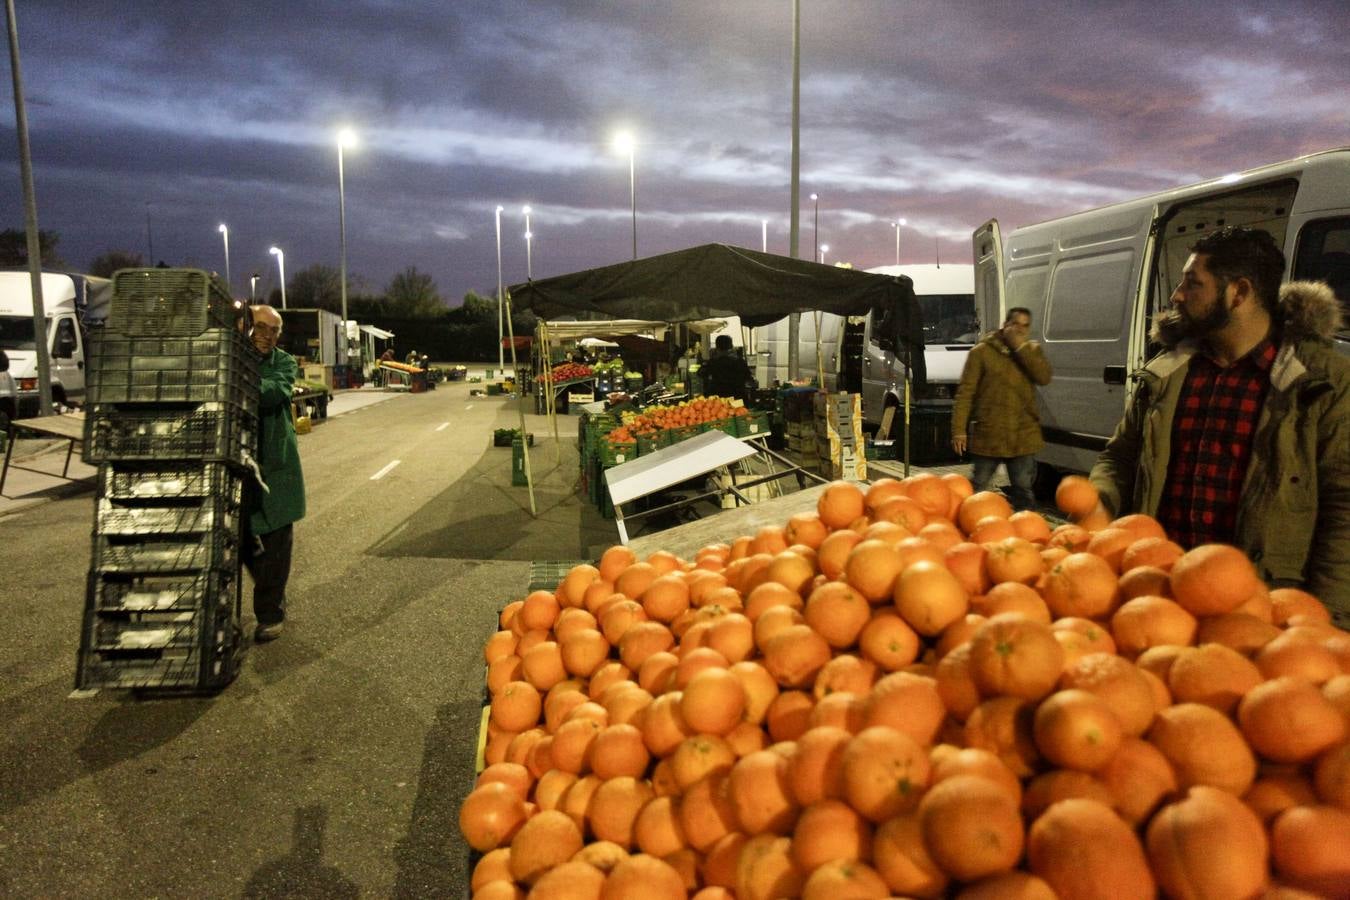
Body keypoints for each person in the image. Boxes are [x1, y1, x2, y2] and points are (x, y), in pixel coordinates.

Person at [1091, 226, 1350, 621]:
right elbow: (1120, 458)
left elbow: (1344, 505)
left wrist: (1328, 619)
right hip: (1164, 595)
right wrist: (1098, 505)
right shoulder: (1168, 371)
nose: (1177, 296)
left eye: (1192, 283)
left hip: (1263, 608)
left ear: (1238, 292)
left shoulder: (1322, 382)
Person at [244, 305, 306, 642]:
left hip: (275, 467)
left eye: (273, 330)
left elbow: (273, 392)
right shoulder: (233, 356)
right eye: (260, 327)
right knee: (243, 543)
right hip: (239, 466)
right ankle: (271, 592)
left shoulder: (284, 363)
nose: (266, 335)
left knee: (277, 545)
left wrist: (236, 378)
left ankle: (270, 614)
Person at [950, 307, 1052, 510]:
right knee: (977, 487)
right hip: (990, 434)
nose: (1020, 330)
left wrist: (1021, 349)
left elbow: (1043, 377)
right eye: (1016, 324)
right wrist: (959, 430)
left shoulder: (1031, 351)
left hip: (1022, 436)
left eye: (1025, 326)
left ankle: (1025, 526)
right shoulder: (981, 352)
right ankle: (970, 520)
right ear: (1005, 325)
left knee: (1023, 490)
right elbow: (965, 394)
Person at [701, 334, 754, 401]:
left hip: (719, 399)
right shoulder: (739, 361)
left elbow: (701, 373)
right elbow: (748, 377)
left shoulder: (713, 362)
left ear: (717, 347)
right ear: (731, 346)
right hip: (738, 397)